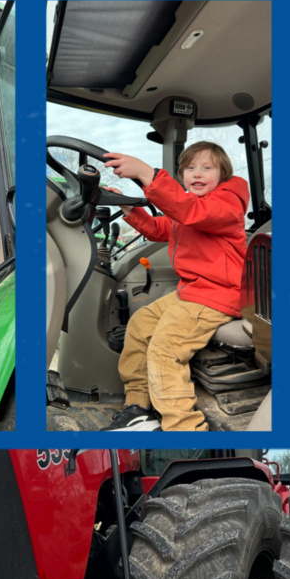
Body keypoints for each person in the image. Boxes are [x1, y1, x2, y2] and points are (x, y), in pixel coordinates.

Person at [99, 142, 249, 431]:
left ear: (223, 175)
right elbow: (160, 228)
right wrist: (127, 206)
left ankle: (184, 428)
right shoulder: (191, 208)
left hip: (217, 296)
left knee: (165, 349)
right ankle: (139, 406)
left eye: (207, 167)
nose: (197, 173)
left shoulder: (225, 204)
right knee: (140, 323)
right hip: (190, 291)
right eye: (190, 168)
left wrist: (146, 173)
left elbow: (192, 211)